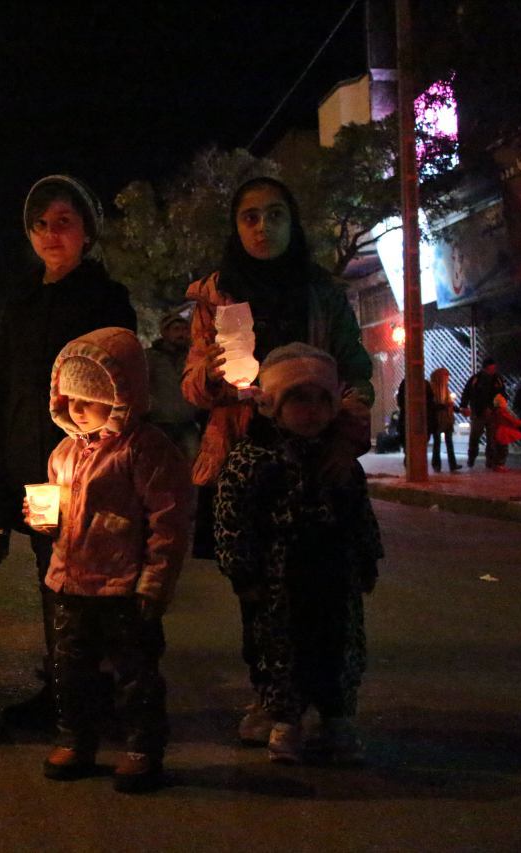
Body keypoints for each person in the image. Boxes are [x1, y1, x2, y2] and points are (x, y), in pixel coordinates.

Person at [181, 176, 374, 746]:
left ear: (293, 222)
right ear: (235, 227)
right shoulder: (216, 296)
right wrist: (210, 375)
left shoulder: (322, 293)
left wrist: (345, 441)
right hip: (247, 456)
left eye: (275, 214)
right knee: (257, 590)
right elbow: (193, 386)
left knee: (328, 587)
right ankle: (272, 698)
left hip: (318, 453)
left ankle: (333, 705)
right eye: (250, 216)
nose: (263, 227)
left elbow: (356, 371)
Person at [0, 174, 137, 728]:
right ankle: (63, 687)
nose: (51, 233)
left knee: (92, 577)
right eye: (41, 224)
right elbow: (2, 385)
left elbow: (122, 384)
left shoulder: (106, 298)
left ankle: (95, 689)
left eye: (64, 222)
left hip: (88, 461)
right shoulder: (21, 301)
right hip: (32, 462)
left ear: (86, 232)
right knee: (50, 572)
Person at [28, 328, 191, 792]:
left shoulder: (144, 450)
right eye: (71, 398)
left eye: (91, 399)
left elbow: (168, 519)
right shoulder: (65, 452)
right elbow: (62, 514)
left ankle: (142, 746)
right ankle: (76, 738)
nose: (78, 408)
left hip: (123, 584)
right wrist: (46, 520)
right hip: (71, 582)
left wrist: (155, 580)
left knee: (134, 672)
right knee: (70, 669)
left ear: (121, 396)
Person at [214, 344, 383, 765]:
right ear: (273, 405)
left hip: (335, 574)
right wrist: (242, 572)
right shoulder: (253, 458)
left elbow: (359, 514)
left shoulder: (339, 461)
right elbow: (233, 518)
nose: (311, 411)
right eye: (298, 399)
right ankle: (285, 720)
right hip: (279, 579)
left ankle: (336, 718)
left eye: (321, 400)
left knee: (338, 646)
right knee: (280, 647)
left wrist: (366, 560)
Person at [145, 312, 200, 464]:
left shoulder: (192, 357)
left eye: (184, 329)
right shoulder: (151, 358)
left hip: (187, 422)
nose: (181, 334)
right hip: (160, 423)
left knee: (193, 465)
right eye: (176, 329)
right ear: (165, 332)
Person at [458, 358, 506, 469]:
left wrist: (497, 406)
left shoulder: (497, 379)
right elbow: (467, 393)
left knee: (492, 438)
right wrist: (464, 406)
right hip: (478, 413)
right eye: (491, 368)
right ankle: (472, 457)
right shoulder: (476, 379)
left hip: (493, 413)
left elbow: (502, 393)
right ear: (485, 368)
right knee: (475, 437)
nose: (493, 370)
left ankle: (490, 460)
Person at [394, 377, 435, 468]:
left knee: (408, 444)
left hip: (408, 419)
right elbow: (431, 402)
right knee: (419, 444)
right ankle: (416, 464)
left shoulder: (406, 383)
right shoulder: (424, 384)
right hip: (422, 419)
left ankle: (411, 464)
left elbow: (400, 401)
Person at [428, 367, 460, 472]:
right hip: (437, 419)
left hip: (447, 419)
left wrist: (459, 410)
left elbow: (449, 404)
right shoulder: (432, 389)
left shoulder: (445, 389)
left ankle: (452, 464)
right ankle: (436, 464)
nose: (447, 378)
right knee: (437, 442)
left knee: (449, 441)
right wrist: (444, 406)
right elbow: (431, 405)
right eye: (446, 376)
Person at [488, 393, 521, 472]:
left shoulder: (494, 412)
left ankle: (496, 464)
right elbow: (510, 419)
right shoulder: (503, 411)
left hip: (496, 431)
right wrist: (519, 423)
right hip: (503, 432)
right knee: (503, 449)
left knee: (498, 448)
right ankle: (500, 465)